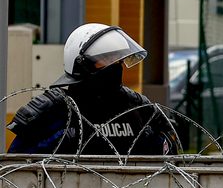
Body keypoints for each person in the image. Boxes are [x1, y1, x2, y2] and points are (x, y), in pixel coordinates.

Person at [7, 23, 179, 155]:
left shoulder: (137, 108)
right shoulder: (54, 110)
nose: (115, 66)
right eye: (106, 59)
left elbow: (169, 160)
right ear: (84, 65)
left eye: (118, 60)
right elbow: (19, 170)